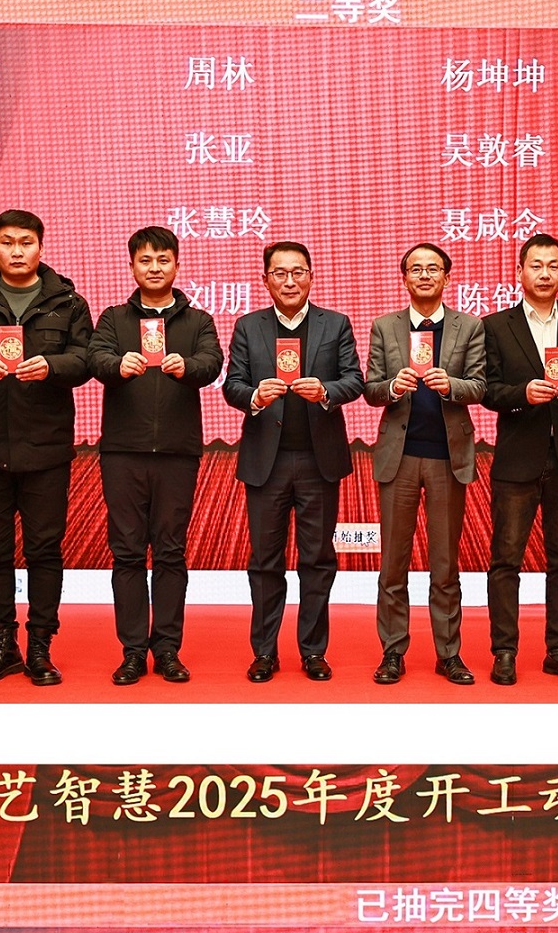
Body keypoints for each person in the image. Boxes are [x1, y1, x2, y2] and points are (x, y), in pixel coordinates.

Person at [0, 210, 96, 688]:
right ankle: (2, 643)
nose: (17, 251)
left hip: (45, 447)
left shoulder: (67, 301)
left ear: (40, 248)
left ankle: (41, 645)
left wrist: (52, 366)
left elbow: (86, 358)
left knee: (44, 549)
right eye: (7, 242)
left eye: (26, 242)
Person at [83, 232, 218, 687]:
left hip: (178, 452)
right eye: (145, 260)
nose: (154, 268)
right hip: (123, 452)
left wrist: (189, 367)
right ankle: (133, 651)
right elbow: (95, 357)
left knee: (170, 552)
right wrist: (116, 366)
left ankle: (167, 649)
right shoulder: (114, 318)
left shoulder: (197, 319)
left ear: (177, 265)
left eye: (163, 259)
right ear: (132, 267)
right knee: (126, 552)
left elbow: (212, 362)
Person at [223, 242, 362, 680]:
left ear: (311, 277)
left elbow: (354, 380)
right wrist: (254, 397)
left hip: (319, 461)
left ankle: (313, 651)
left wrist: (325, 392)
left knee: (317, 559)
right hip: (267, 462)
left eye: (298, 272)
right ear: (265, 279)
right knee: (265, 561)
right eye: (280, 273)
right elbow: (232, 385)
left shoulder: (335, 324)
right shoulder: (248, 326)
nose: (289, 281)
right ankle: (264, 651)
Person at [472, 234, 558, 684]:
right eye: (536, 265)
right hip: (517, 459)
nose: (545, 274)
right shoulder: (495, 325)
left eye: (553, 265)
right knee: (506, 559)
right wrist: (521, 394)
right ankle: (504, 650)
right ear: (519, 272)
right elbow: (487, 389)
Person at [362, 242, 485, 686]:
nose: (425, 275)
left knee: (445, 564)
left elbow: (479, 385)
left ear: (447, 277)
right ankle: (392, 651)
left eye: (433, 268)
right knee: (393, 564)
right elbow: (370, 388)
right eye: (416, 269)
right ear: (405, 279)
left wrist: (450, 385)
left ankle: (448, 653)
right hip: (399, 458)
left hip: (447, 458)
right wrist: (393, 387)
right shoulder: (385, 326)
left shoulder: (469, 326)